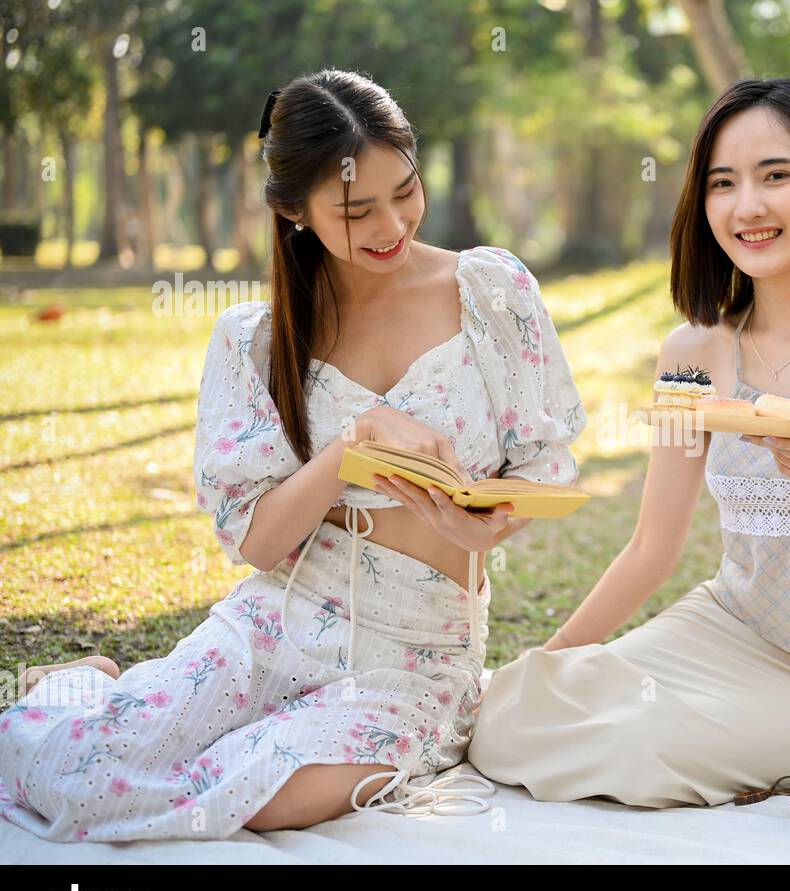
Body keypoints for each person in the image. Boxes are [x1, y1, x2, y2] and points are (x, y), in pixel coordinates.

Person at [0, 68, 586, 842]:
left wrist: (493, 525)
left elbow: (547, 460)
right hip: (283, 617)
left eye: (404, 192)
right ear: (294, 211)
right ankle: (82, 687)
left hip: (415, 654)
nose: (391, 226)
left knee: (254, 789)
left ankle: (135, 694)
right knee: (82, 780)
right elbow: (258, 542)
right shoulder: (256, 340)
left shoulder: (492, 290)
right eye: (356, 210)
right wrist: (352, 446)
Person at [468, 77, 790, 808]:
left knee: (634, 748)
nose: (747, 206)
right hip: (726, 629)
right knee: (504, 717)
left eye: (775, 175)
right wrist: (550, 664)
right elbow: (654, 546)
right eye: (723, 183)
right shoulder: (692, 354)